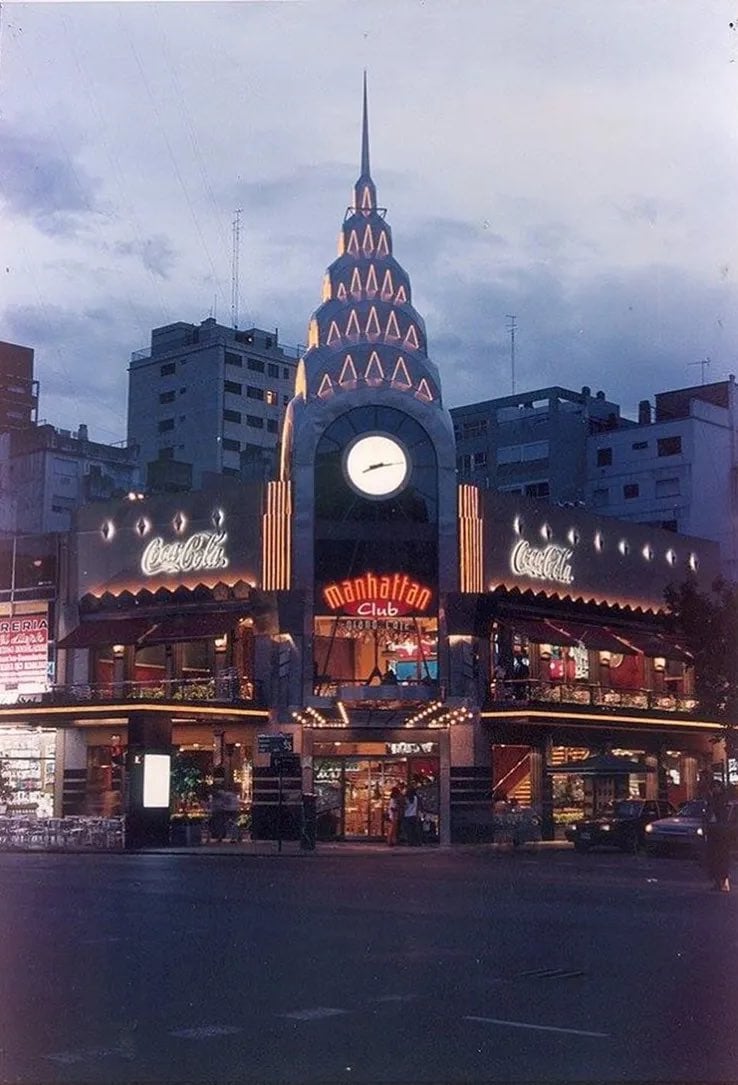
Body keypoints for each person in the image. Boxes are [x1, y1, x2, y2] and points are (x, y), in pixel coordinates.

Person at [704, 781, 731, 892]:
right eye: (713, 787)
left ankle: (722, 881)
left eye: (717, 787)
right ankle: (717, 881)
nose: (715, 789)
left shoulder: (722, 800)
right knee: (714, 858)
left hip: (721, 833)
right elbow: (708, 814)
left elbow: (720, 813)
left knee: (721, 858)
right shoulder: (712, 800)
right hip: (714, 832)